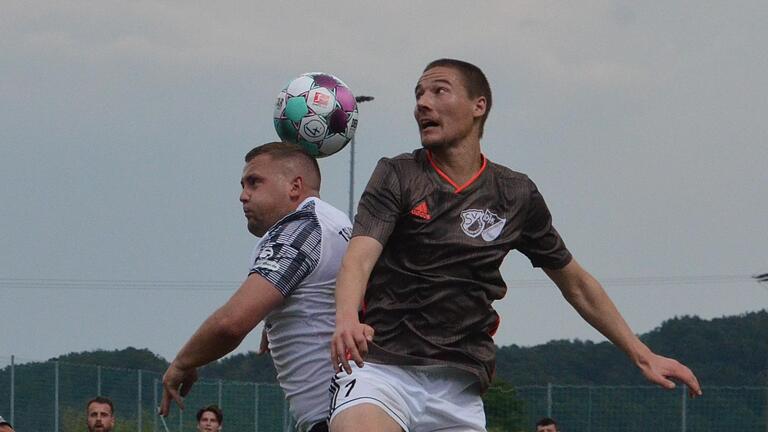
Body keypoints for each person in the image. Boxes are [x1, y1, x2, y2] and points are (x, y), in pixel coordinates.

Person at [329, 59, 702, 432]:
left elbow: (576, 283)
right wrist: (347, 319)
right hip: (381, 372)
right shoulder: (398, 174)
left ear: (479, 106)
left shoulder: (514, 194)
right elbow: (359, 259)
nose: (423, 103)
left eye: (439, 91)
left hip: (459, 390)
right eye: (419, 94)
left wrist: (641, 353)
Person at [160, 142, 352, 432]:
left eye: (254, 183)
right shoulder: (336, 223)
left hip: (332, 417)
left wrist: (182, 363)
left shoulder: (298, 229)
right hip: (349, 409)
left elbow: (232, 323)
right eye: (243, 185)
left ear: (295, 187)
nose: (243, 196)